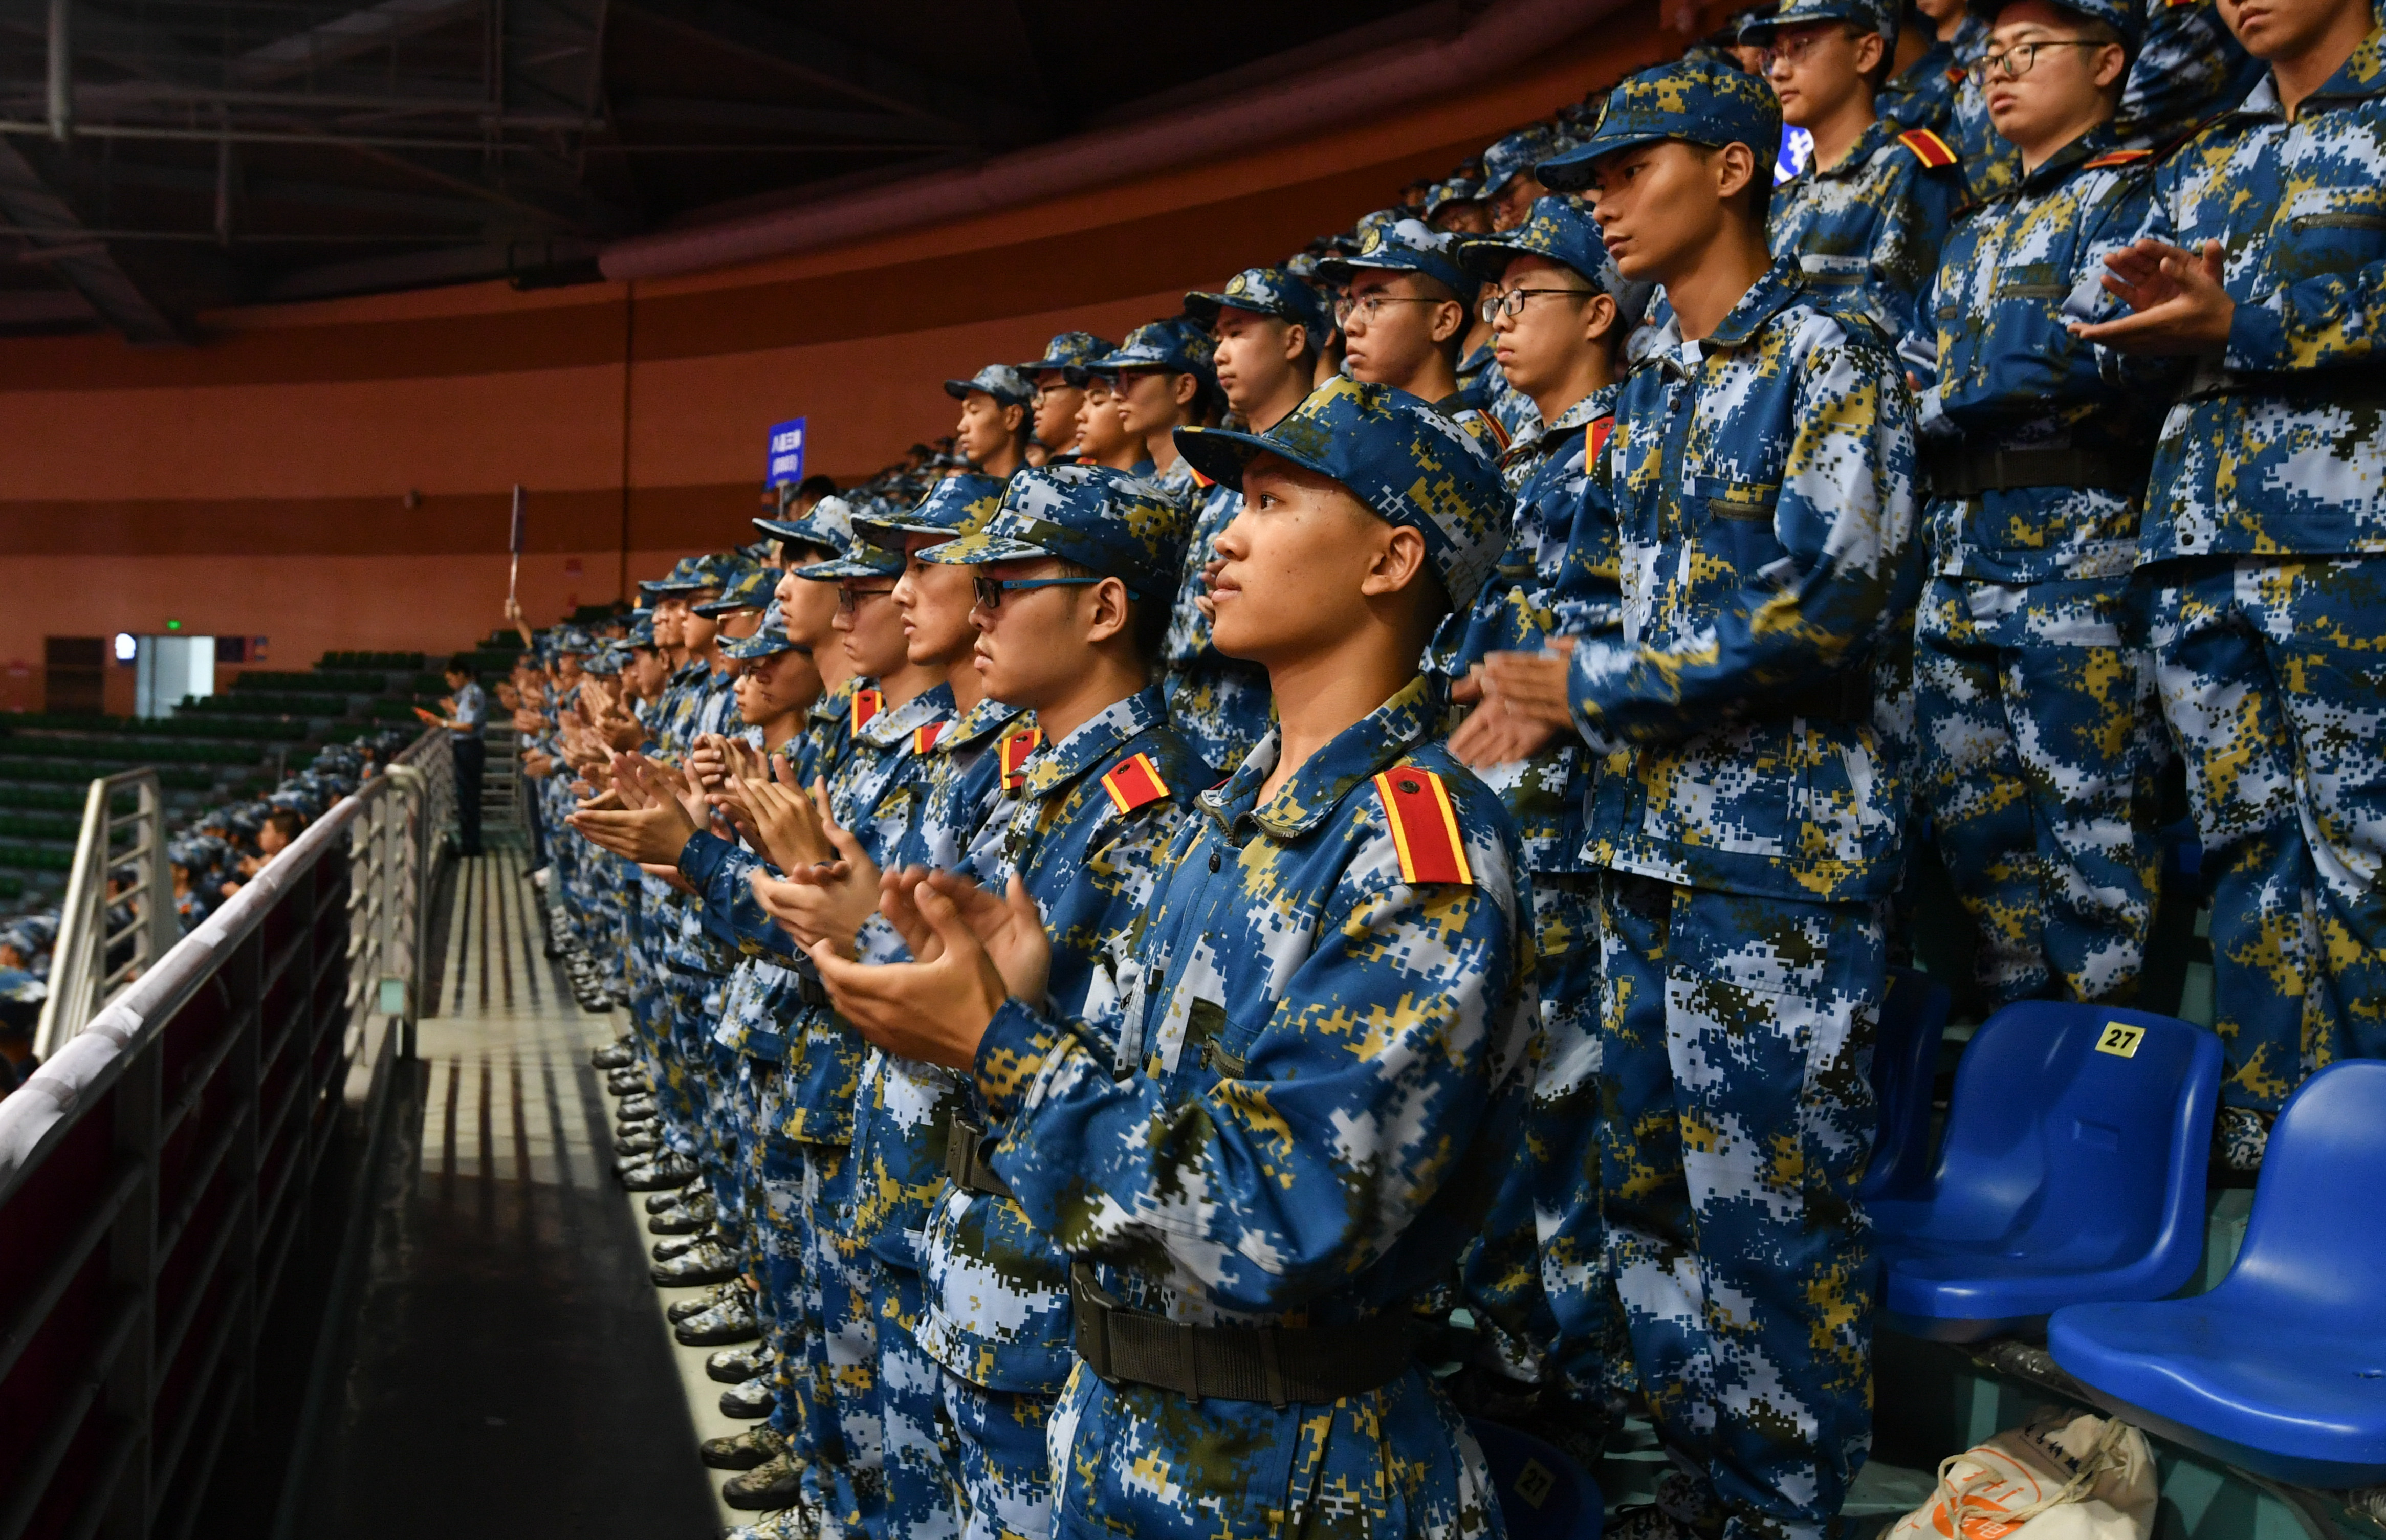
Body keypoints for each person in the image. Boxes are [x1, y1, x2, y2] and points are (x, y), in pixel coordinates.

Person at [804, 379, 1534, 1540]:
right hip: (1136, 1440)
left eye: (1276, 504)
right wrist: (1019, 1002)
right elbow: (1154, 1105)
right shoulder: (1236, 819)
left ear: (1393, 559)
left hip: (1286, 1480)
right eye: (1235, 501)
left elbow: (1278, 1214)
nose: (1227, 535)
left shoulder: (1415, 856)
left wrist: (1000, 1050)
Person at [1516, 58, 1924, 1539]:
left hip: (1777, 856)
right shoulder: (1662, 386)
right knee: (1645, 1200)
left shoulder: (1828, 346)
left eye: (1634, 169)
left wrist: (1596, 686)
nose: (1603, 202)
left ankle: (1775, 1510)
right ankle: (1696, 1481)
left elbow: (1829, 602)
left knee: (1767, 1219)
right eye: (1595, 180)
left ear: (1735, 168)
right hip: (1640, 848)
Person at [2069, 0, 2386, 1170]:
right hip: (2202, 540)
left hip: (2352, 541)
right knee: (2250, 848)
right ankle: (2267, 1153)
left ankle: (2362, 1173)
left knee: (2365, 855)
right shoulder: (2209, 153)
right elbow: (2110, 320)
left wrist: (2242, 320)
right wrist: (2131, 315)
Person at [1902, 0, 2175, 1011]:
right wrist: (1991, 385)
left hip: (2076, 552)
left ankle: (2109, 1066)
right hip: (1962, 558)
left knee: (2092, 824)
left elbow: (2110, 352)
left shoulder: (2134, 196)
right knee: (1976, 832)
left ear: (2108, 63)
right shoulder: (1971, 234)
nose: (2000, 72)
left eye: (2032, 52)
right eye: (1994, 56)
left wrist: (1977, 390)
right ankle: (2016, 1060)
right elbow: (1909, 393)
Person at [1442, 194, 1653, 1457]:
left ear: (1597, 312)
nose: (1500, 324)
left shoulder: (1631, 451)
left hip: (1576, 827)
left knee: (1571, 1116)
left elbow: (1635, 643)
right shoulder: (1514, 461)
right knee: (1502, 1104)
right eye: (1496, 302)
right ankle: (1515, 1348)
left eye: (1526, 300)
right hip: (1497, 826)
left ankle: (1589, 1398)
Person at [1166, 264, 1331, 770]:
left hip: (1264, 740)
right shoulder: (1219, 477)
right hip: (1189, 731)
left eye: (1238, 333)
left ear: (1293, 340)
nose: (1219, 352)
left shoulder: (1326, 468)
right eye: (1218, 337)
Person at [1743, 0, 1965, 343]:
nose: (1779, 72)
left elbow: (1896, 319)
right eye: (1771, 56)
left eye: (1799, 47)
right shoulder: (1782, 197)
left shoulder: (1910, 170)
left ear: (1866, 53)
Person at [1321, 219, 1507, 453]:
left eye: (1373, 303)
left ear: (1444, 321)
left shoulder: (1462, 447)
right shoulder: (1387, 433)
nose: (1350, 325)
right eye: (1351, 305)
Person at [1086, 320, 1216, 500]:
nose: (1116, 395)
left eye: (1133, 379)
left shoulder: (1212, 487)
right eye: (1118, 381)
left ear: (1184, 388)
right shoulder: (1137, 486)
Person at [1018, 332, 1114, 465]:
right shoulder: (1050, 467)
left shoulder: (1101, 469)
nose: (1035, 404)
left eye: (1048, 389)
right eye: (1036, 392)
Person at [947, 364, 1037, 480]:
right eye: (964, 414)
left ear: (1013, 417)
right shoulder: (974, 489)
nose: (961, 427)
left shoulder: (1033, 495)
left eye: (974, 411)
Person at [435, 654, 487, 856]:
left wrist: (443, 723)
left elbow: (469, 725)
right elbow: (466, 717)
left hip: (469, 747)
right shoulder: (467, 693)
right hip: (466, 747)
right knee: (466, 797)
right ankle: (468, 844)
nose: (450, 684)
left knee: (469, 797)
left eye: (451, 679)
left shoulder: (473, 693)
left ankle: (471, 846)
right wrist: (454, 710)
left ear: (461, 675)